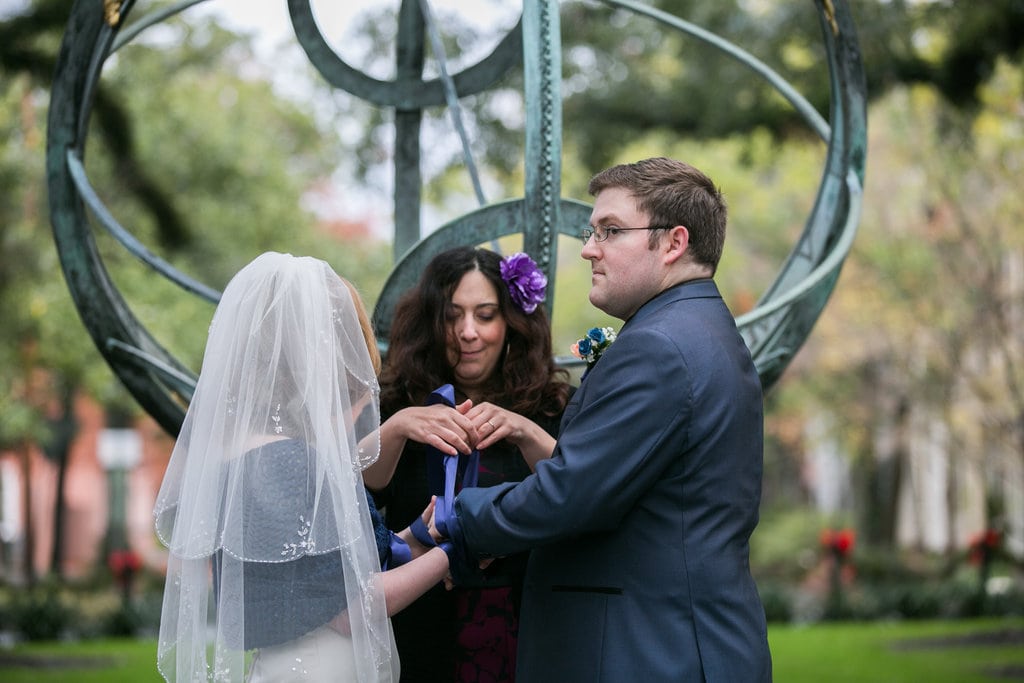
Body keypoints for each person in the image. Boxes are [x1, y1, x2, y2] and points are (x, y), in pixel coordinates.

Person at [444, 158, 773, 681]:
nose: (588, 247)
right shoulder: (699, 330)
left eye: (611, 231)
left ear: (673, 243)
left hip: (650, 654)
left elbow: (569, 496)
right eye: (591, 230)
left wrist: (455, 520)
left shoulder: (660, 348)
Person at [153, 252, 452, 683]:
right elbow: (354, 605)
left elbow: (322, 573)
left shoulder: (251, 458)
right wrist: (454, 551)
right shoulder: (294, 465)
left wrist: (419, 537)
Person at [363, 246, 573, 682]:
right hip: (417, 631)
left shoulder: (551, 407)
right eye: (452, 315)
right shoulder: (397, 401)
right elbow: (358, 492)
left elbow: (578, 491)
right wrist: (398, 427)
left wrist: (526, 431)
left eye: (485, 314)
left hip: (525, 629)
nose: (467, 332)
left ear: (511, 322)